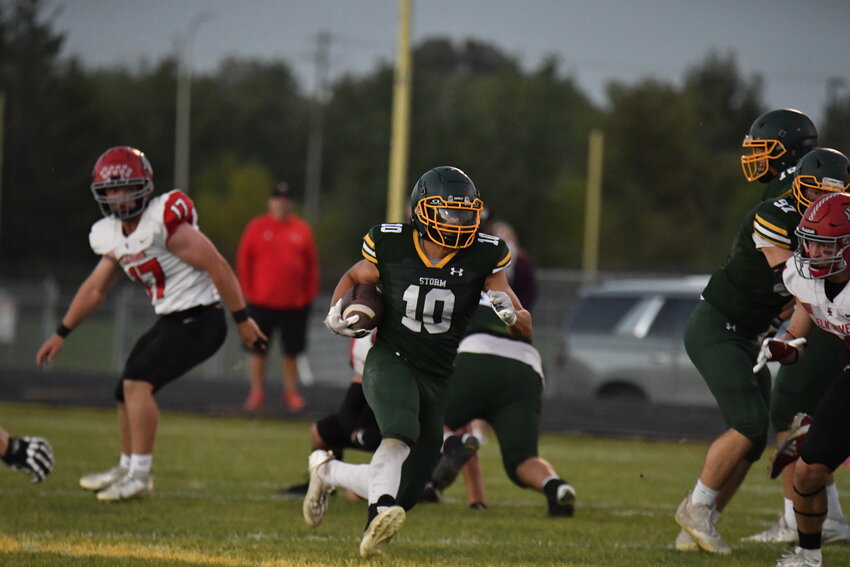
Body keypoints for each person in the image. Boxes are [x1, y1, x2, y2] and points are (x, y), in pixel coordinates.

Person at [303, 166, 532, 558]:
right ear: (421, 211)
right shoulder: (392, 243)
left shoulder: (483, 255)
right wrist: (336, 311)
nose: (459, 222)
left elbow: (524, 327)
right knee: (399, 430)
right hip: (391, 358)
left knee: (407, 490)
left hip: (438, 376)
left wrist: (512, 316)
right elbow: (354, 274)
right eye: (448, 212)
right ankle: (378, 513)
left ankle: (327, 472)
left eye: (464, 213)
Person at [35, 146, 266, 501]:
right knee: (124, 391)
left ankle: (140, 475)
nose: (119, 196)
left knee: (137, 383)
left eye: (126, 187)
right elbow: (95, 288)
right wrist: (61, 332)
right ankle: (128, 467)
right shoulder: (111, 235)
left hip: (201, 318)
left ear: (143, 186)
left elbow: (217, 265)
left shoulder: (165, 223)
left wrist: (242, 319)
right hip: (173, 319)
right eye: (112, 189)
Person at [674, 147, 850, 554]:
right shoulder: (777, 215)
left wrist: (789, 337)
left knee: (757, 438)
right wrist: (791, 339)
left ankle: (701, 521)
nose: (820, 206)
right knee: (757, 423)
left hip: (755, 331)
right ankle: (700, 509)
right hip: (722, 327)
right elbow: (805, 289)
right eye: (812, 192)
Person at [759, 189, 850, 567]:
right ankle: (807, 556)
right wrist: (788, 346)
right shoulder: (805, 277)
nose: (812, 254)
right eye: (810, 244)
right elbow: (806, 311)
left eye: (824, 246)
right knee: (808, 468)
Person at [426, 292, 577, 516]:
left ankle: (448, 445)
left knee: (425, 416)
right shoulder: (502, 292)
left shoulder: (448, 291)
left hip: (476, 358)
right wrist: (476, 500)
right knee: (523, 459)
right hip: (526, 368)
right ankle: (555, 486)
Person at [236, 181, 319, 412]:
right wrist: (248, 293)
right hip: (261, 302)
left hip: (294, 303)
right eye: (277, 198)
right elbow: (244, 263)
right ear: (270, 202)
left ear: (291, 202)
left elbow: (311, 266)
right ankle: (256, 392)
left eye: (286, 199)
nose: (281, 203)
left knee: (291, 351)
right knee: (258, 349)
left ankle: (291, 392)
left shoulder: (301, 229)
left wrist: (307, 296)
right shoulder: (256, 227)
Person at [279, 332, 381, 496]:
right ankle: (321, 485)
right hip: (375, 411)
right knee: (320, 432)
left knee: (357, 494)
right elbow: (356, 391)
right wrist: (355, 432)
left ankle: (424, 484)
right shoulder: (365, 339)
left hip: (400, 421)